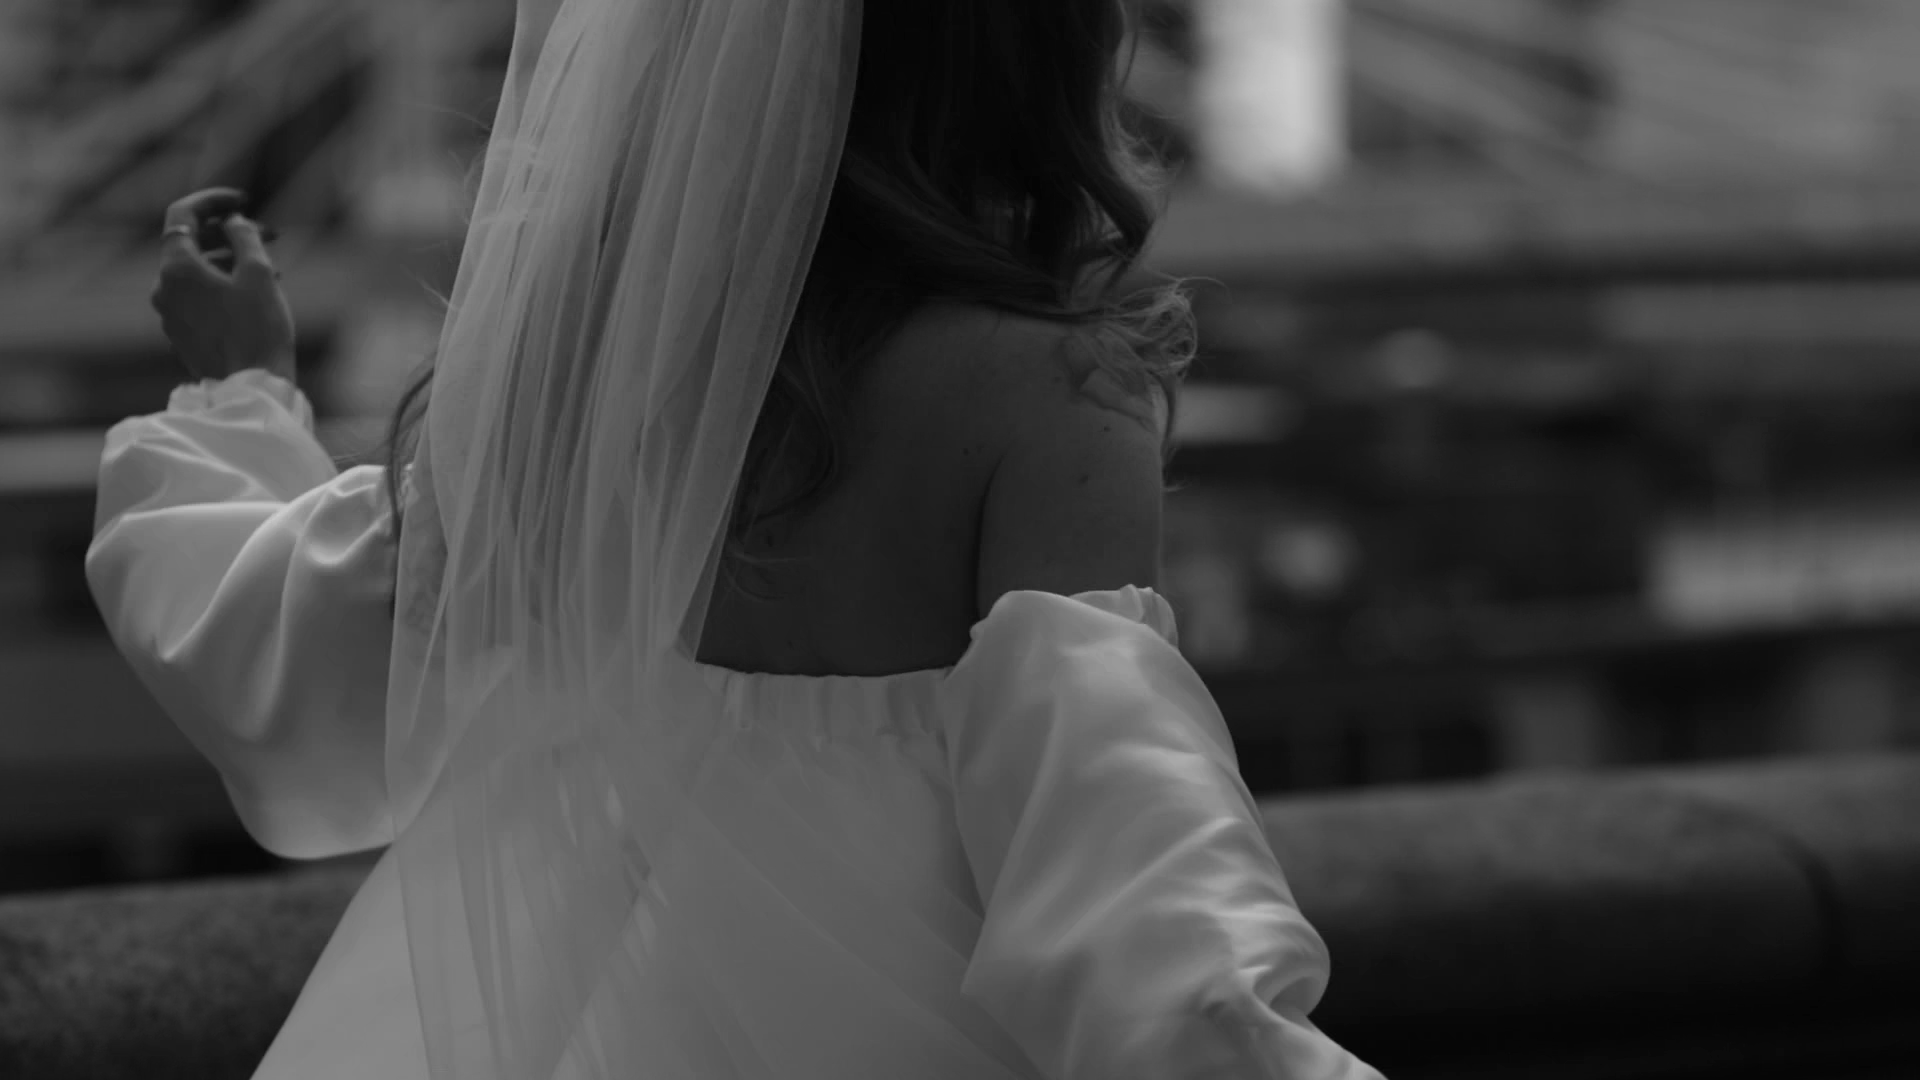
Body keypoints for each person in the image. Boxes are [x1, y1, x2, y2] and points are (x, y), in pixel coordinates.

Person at [87, 0, 1385, 1077]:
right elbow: (1122, 867)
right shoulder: (1043, 403)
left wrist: (240, 391)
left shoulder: (569, 396)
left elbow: (277, 678)